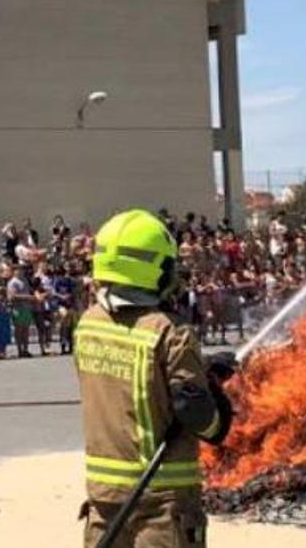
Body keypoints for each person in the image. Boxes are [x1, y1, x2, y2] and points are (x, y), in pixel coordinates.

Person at [75, 209, 235, 548]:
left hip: (104, 499)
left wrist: (201, 370)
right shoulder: (170, 331)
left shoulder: (88, 324)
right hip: (161, 502)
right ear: (155, 271)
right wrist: (214, 393)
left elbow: (133, 381)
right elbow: (201, 418)